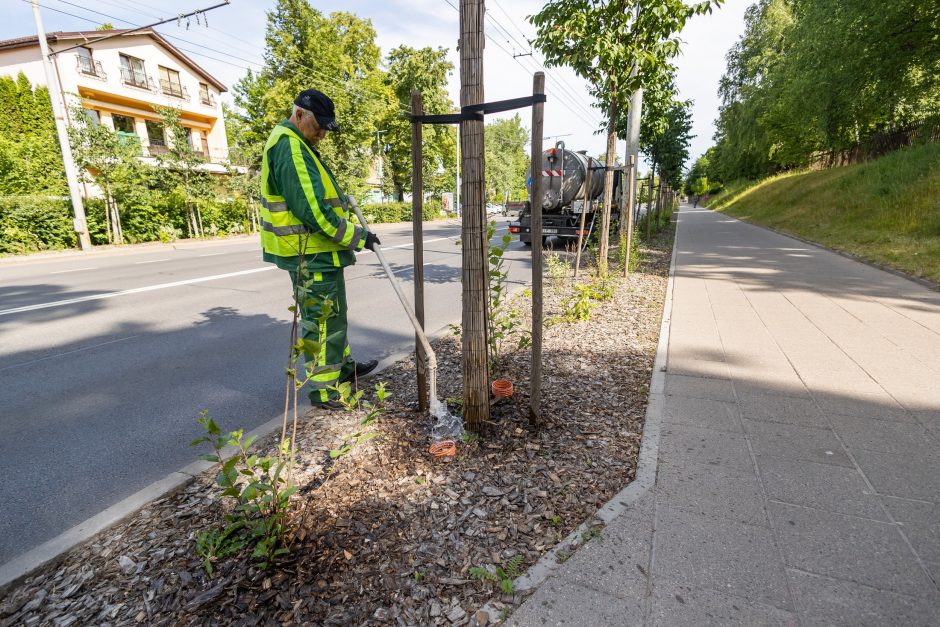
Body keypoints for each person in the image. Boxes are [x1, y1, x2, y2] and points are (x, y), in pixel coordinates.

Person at [259, 88, 380, 408]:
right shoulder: (290, 148)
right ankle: (325, 390)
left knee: (334, 316)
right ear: (299, 115)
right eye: (319, 126)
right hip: (308, 252)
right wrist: (358, 236)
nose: (323, 134)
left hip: (318, 251)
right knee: (322, 322)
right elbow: (312, 210)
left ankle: (342, 369)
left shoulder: (299, 144)